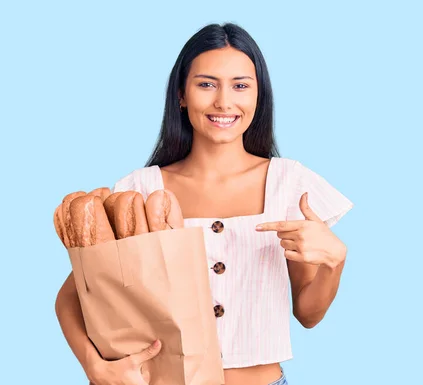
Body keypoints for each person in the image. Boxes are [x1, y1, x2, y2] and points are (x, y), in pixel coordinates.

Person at [55, 22, 353, 385]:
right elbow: (72, 296)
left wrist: (334, 262)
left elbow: (308, 314)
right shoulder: (139, 191)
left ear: (259, 97)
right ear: (181, 94)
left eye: (240, 85)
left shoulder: (290, 183)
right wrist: (94, 366)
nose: (224, 102)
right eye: (206, 84)